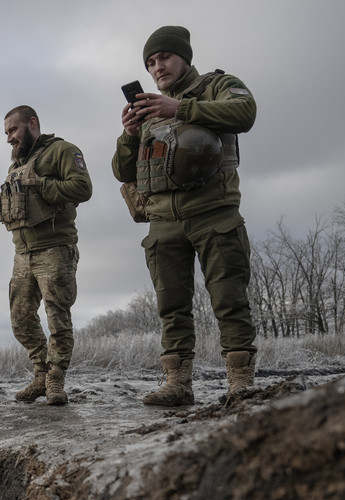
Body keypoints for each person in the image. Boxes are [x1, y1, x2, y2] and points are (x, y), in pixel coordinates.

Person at [111, 25, 258, 406]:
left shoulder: (216, 86)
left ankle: (240, 383)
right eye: (151, 62)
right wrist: (130, 135)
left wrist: (182, 108)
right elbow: (123, 172)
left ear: (185, 57)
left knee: (229, 298)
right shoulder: (150, 110)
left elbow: (246, 112)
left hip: (213, 212)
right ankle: (178, 384)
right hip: (163, 221)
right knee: (171, 306)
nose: (157, 66)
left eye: (164, 57)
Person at [0, 106, 92, 405]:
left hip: (55, 247)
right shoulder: (15, 167)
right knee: (20, 319)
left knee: (57, 318)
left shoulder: (62, 151)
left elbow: (83, 188)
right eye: (7, 133)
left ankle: (56, 380)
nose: (9, 138)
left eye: (14, 130)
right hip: (22, 252)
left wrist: (41, 185)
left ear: (32, 124)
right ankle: (40, 373)